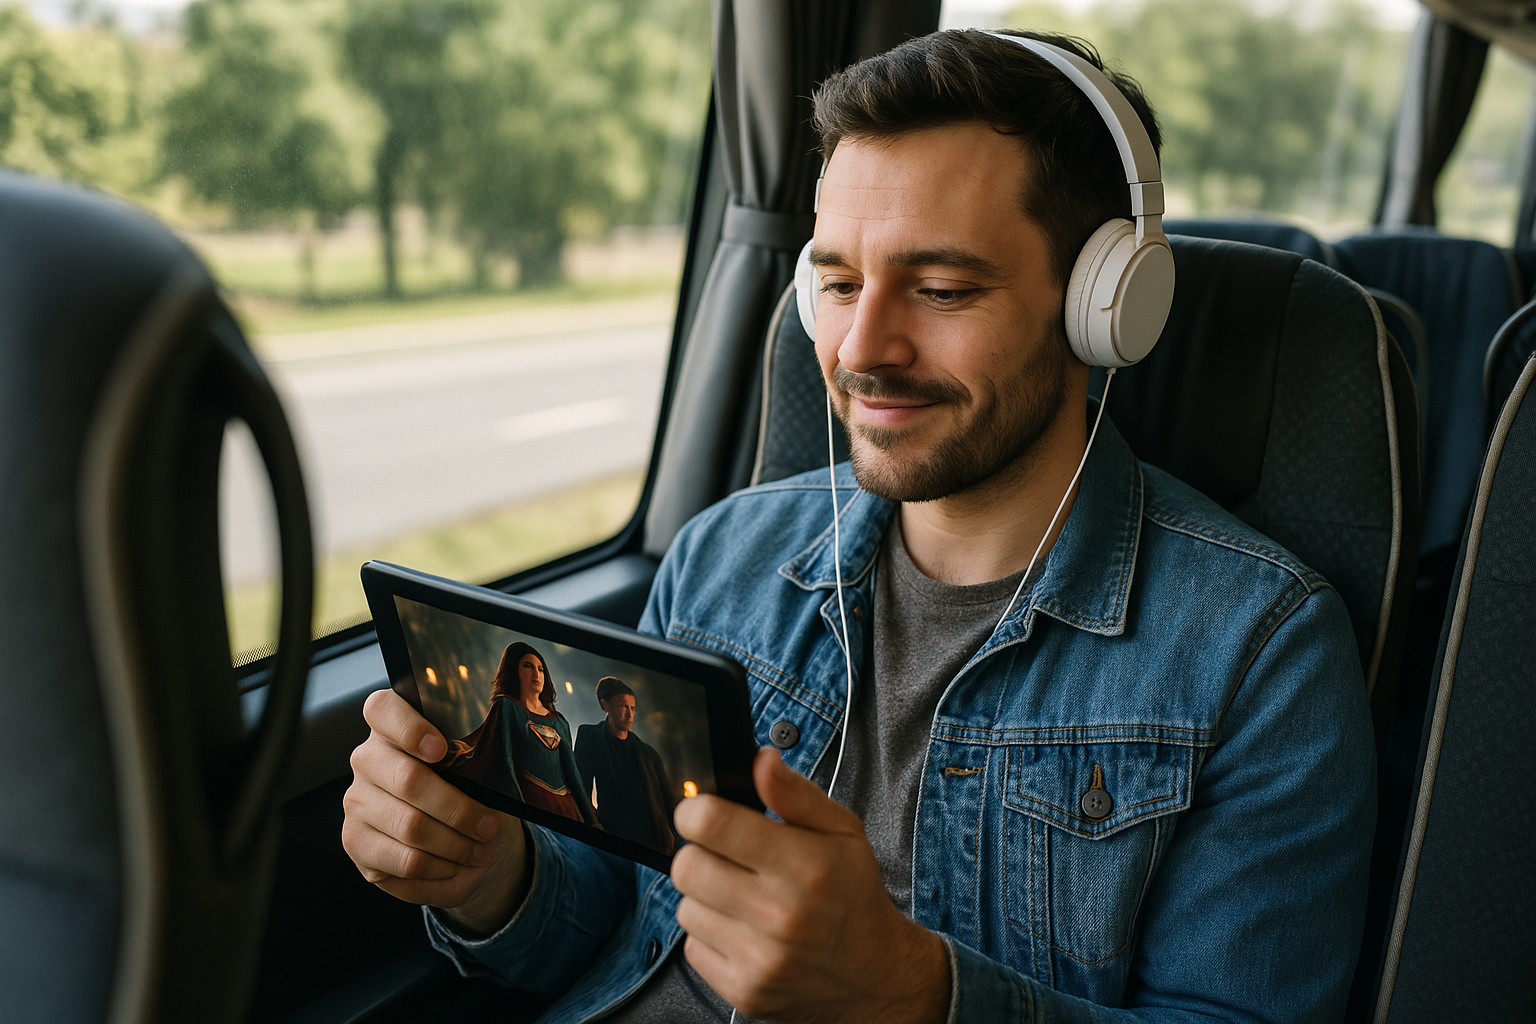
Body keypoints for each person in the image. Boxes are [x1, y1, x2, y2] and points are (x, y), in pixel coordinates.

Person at [340, 28, 1375, 1023]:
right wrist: (491, 874)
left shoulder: (1258, 651)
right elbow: (620, 921)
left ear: (1104, 306)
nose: (863, 346)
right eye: (836, 283)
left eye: (941, 287)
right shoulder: (721, 556)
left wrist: (906, 993)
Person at [444, 641, 594, 827]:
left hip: (567, 811)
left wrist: (592, 822)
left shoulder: (559, 721)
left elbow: (573, 776)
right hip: (530, 805)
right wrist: (518, 812)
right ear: (515, 670)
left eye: (540, 669)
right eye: (527, 666)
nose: (536, 673)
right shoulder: (506, 707)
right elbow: (503, 764)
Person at [574, 677, 681, 855]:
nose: (629, 714)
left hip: (653, 841)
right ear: (604, 705)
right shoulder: (590, 737)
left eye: (632, 708)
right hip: (613, 838)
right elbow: (580, 788)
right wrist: (595, 827)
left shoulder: (648, 754)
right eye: (622, 706)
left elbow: (668, 803)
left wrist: (673, 840)